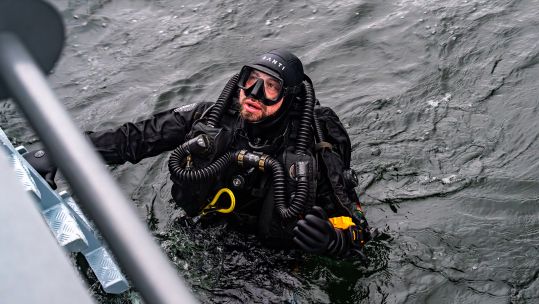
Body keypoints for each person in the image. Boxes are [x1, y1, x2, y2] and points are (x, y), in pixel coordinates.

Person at [26, 49, 371, 258]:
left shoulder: (310, 150)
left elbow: (358, 225)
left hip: (272, 263)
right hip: (201, 231)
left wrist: (334, 241)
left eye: (270, 87)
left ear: (291, 97)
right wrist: (59, 150)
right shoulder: (212, 119)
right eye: (250, 80)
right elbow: (135, 138)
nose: (253, 93)